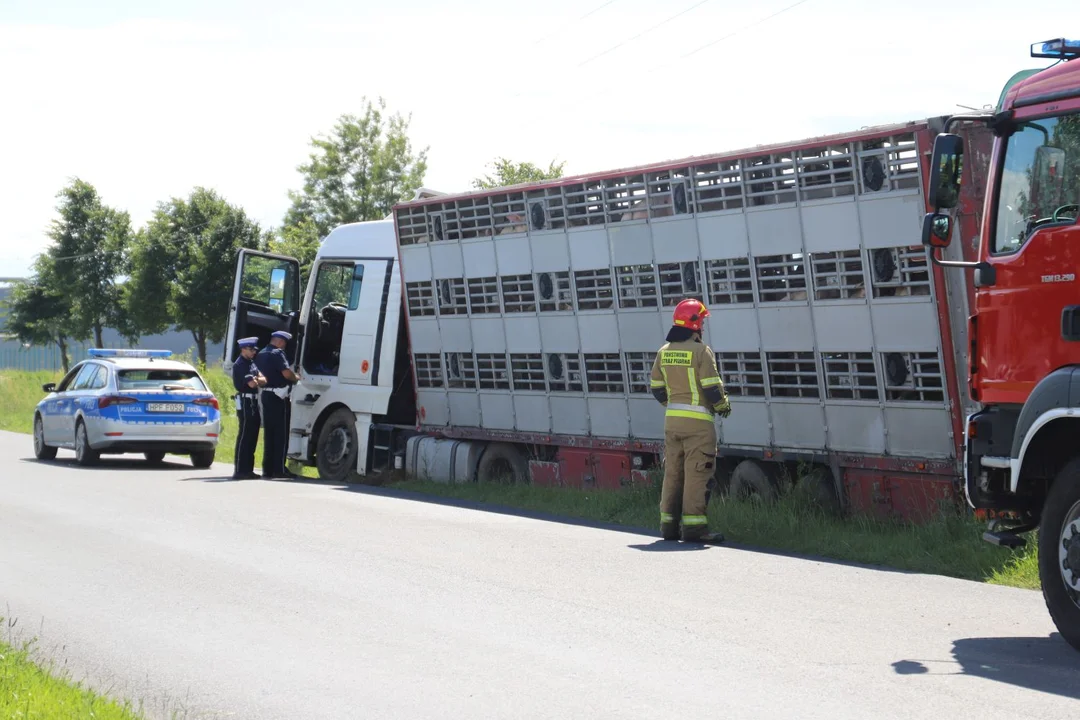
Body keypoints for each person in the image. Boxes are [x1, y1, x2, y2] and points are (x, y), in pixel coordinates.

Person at [649, 298, 732, 543]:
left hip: (672, 425)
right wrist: (723, 407)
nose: (703, 327)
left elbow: (656, 389)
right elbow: (712, 388)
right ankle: (695, 529)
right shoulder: (701, 351)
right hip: (698, 428)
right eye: (702, 321)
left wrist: (674, 406)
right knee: (698, 474)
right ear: (693, 323)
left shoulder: (663, 353)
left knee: (673, 474)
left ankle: (668, 527)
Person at [253, 330, 300, 479]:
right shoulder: (277, 353)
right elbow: (286, 373)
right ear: (279, 341)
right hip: (278, 396)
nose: (284, 346)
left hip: (266, 394)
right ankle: (279, 469)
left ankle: (267, 469)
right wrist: (296, 377)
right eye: (284, 343)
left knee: (269, 433)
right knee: (280, 434)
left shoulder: (260, 353)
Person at [230, 336, 266, 480]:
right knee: (245, 436)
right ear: (243, 349)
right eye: (251, 349)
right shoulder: (240, 364)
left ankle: (248, 469)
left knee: (252, 436)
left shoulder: (251, 363)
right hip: (245, 401)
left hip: (254, 402)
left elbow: (264, 379)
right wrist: (257, 379)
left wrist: (257, 379)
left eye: (254, 349)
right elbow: (252, 384)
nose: (254, 352)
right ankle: (240, 470)